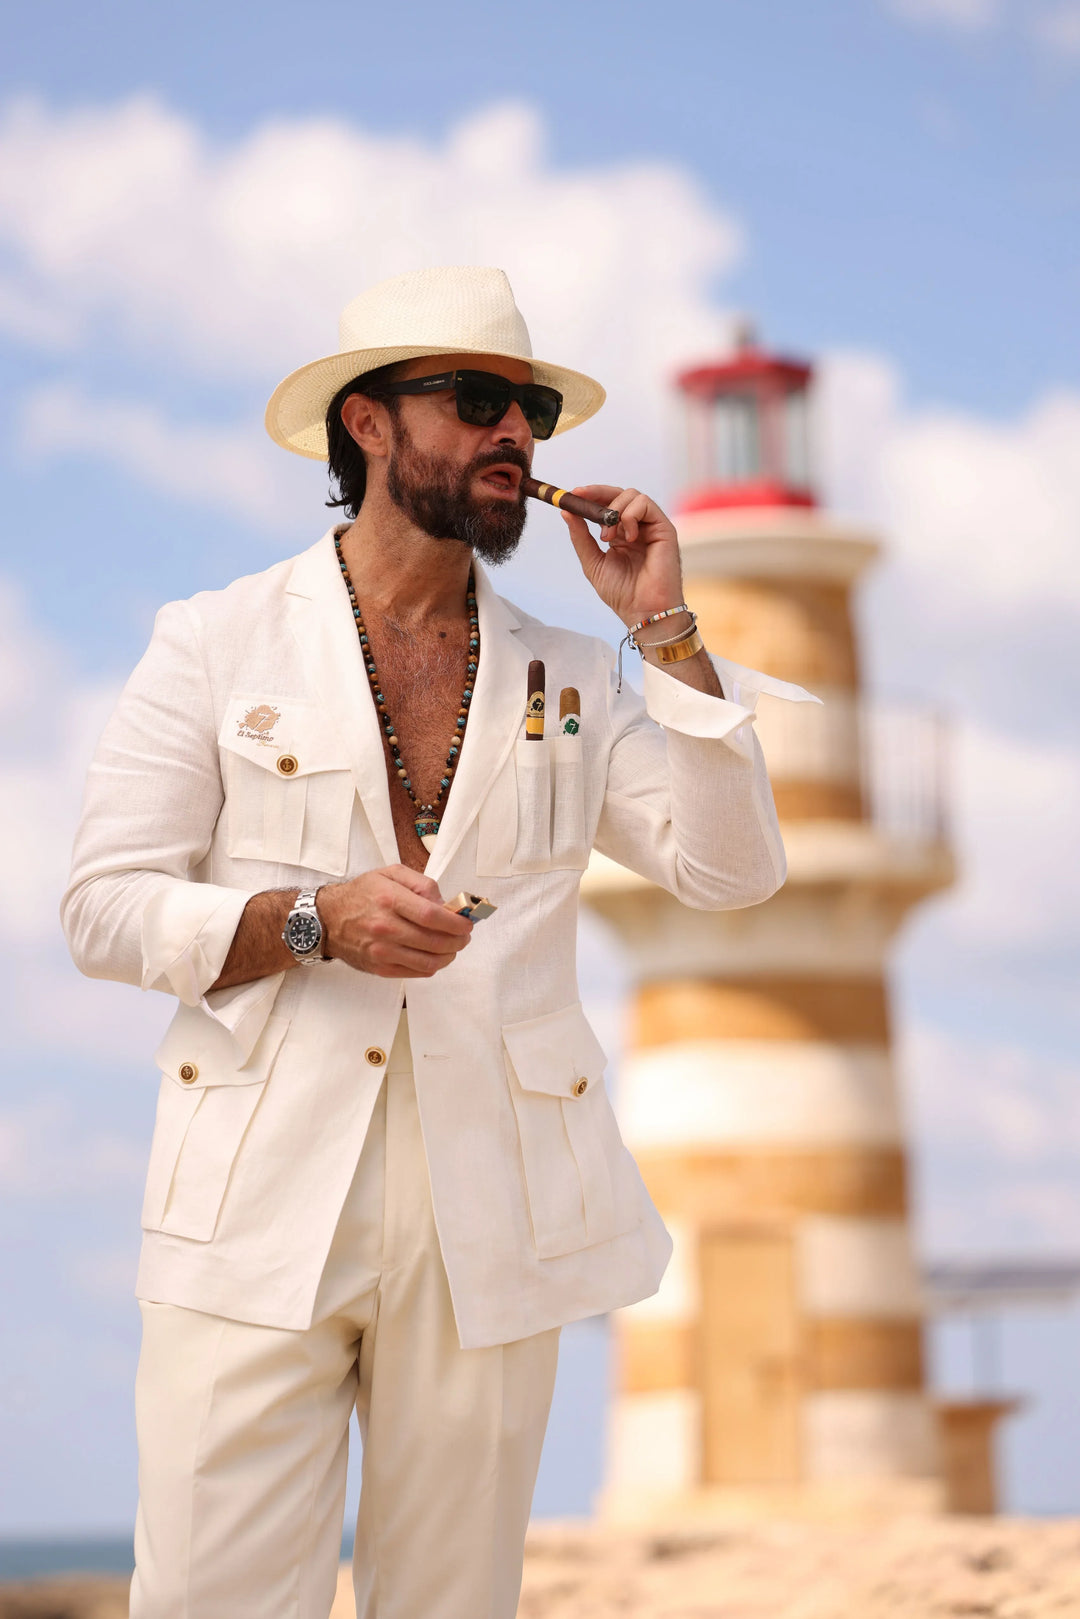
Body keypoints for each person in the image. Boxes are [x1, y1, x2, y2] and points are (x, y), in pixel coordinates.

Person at [61, 265, 817, 1619]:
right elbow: (104, 906)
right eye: (475, 402)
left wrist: (663, 627)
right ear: (367, 425)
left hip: (496, 1216)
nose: (513, 436)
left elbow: (732, 869)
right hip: (250, 1209)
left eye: (526, 409)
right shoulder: (216, 641)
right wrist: (307, 917)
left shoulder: (579, 678)